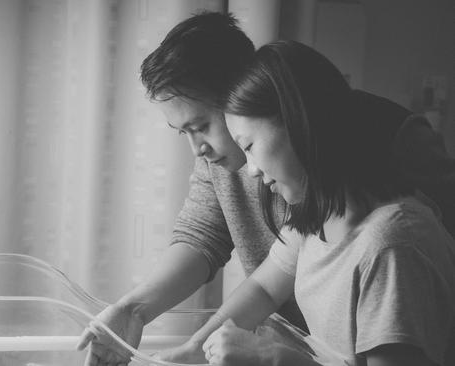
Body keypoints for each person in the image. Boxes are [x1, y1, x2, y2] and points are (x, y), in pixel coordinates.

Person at [76, 11, 455, 366]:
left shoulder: (388, 232)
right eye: (184, 133)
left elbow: (416, 277)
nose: (199, 150)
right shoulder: (312, 212)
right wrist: (152, 322)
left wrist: (276, 358)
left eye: (201, 126)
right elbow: (238, 264)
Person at [194, 40, 455, 366]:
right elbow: (262, 288)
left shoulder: (391, 245)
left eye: (249, 146)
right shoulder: (316, 215)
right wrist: (193, 350)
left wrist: (274, 357)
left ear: (299, 123)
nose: (252, 170)